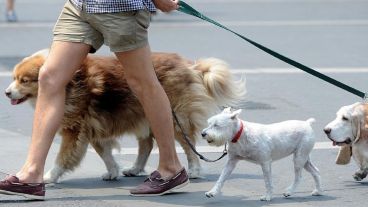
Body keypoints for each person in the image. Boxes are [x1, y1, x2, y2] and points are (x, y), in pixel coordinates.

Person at [0, 0, 189, 200]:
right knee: (49, 77)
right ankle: (32, 174)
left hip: (120, 8)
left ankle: (171, 168)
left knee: (142, 82)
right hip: (80, 6)